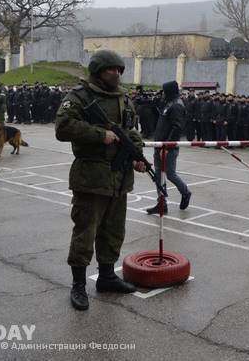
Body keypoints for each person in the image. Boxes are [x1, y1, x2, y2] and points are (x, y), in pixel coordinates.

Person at [55, 50, 146, 311]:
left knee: (113, 231)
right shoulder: (80, 97)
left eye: (119, 69)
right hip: (91, 177)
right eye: (110, 70)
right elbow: (62, 128)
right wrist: (99, 135)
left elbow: (131, 131)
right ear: (97, 72)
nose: (116, 74)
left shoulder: (124, 99)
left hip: (119, 178)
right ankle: (78, 285)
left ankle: (106, 276)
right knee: (85, 231)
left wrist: (136, 156)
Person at [146, 81, 192, 215]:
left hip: (168, 147)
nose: (163, 93)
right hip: (159, 145)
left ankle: (185, 192)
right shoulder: (169, 102)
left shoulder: (177, 105)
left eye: (165, 91)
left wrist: (166, 147)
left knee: (170, 174)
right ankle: (162, 204)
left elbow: (177, 127)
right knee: (159, 176)